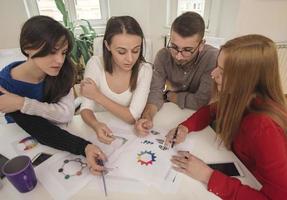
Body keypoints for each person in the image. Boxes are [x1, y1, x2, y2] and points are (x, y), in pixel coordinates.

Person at [166, 34, 287, 199]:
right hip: (243, 172)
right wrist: (185, 127)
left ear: (247, 80)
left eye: (223, 72)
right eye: (217, 66)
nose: (213, 74)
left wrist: (207, 175)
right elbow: (211, 111)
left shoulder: (263, 127)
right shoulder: (239, 98)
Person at [0, 15, 106, 175]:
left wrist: (22, 103)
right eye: (51, 51)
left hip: (61, 134)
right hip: (22, 139)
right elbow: (38, 128)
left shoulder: (64, 70)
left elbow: (65, 115)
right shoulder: (4, 84)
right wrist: (84, 147)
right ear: (28, 47)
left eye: (63, 52)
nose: (59, 60)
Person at [135, 11, 218, 136]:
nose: (178, 56)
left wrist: (170, 96)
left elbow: (202, 101)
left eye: (187, 50)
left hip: (197, 120)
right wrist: (147, 117)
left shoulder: (213, 58)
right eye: (174, 46)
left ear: (201, 45)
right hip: (172, 113)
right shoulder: (163, 55)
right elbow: (155, 92)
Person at [80, 16, 152, 144]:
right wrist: (96, 125)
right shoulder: (95, 64)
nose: (130, 59)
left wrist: (97, 95)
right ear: (108, 45)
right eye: (121, 52)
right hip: (97, 129)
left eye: (136, 50)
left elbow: (132, 117)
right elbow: (86, 109)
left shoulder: (145, 70)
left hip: (128, 133)